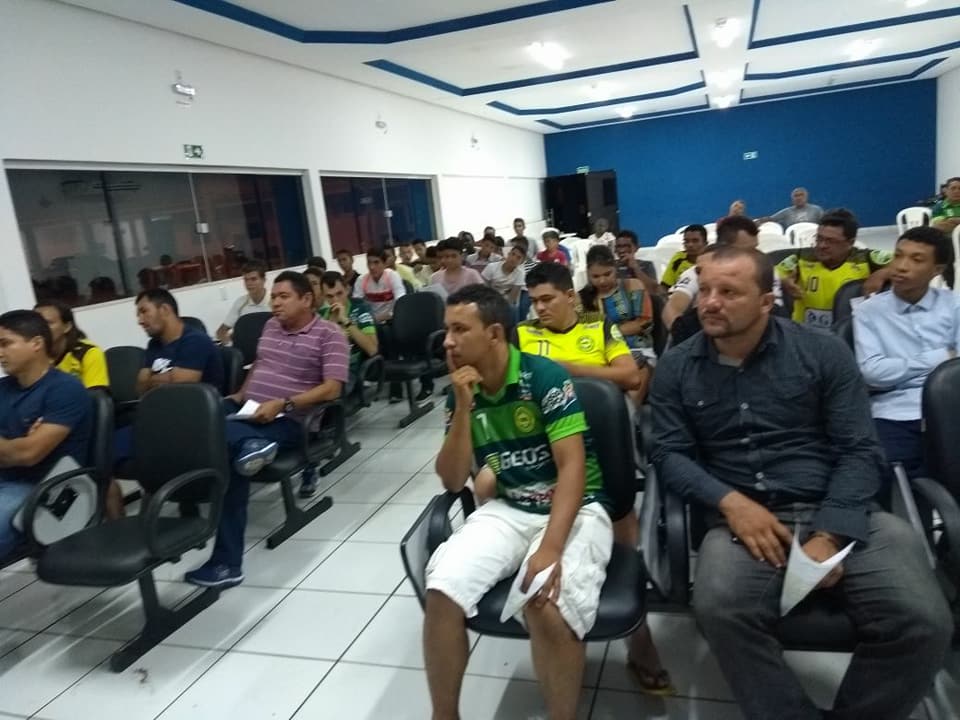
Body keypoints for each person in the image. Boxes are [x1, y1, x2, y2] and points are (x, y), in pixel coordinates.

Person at [650, 244, 952, 720]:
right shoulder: (677, 365)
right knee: (720, 608)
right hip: (742, 517)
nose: (709, 302)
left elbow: (860, 450)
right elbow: (669, 453)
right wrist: (730, 503)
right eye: (705, 289)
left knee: (923, 621)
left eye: (729, 292)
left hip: (841, 505)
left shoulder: (822, 351)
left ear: (766, 302)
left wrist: (830, 532)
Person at [424, 284, 613, 720]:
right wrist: (464, 409)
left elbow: (572, 467)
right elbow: (452, 479)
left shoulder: (542, 376)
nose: (448, 341)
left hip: (577, 505)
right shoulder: (461, 390)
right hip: (510, 506)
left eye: (459, 329)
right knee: (442, 591)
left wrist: (550, 548)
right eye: (447, 330)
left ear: (494, 333)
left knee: (544, 602)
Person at [185, 271, 349, 588]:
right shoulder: (271, 327)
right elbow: (261, 364)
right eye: (274, 297)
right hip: (250, 409)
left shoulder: (330, 335)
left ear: (307, 299)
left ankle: (227, 563)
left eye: (283, 297)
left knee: (224, 450)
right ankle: (249, 445)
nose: (275, 303)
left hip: (292, 421)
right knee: (194, 420)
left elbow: (332, 389)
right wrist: (239, 395)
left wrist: (284, 403)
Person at [854, 226, 958, 480]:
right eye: (898, 255)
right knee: (884, 471)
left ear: (937, 270)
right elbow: (872, 373)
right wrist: (941, 357)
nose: (901, 266)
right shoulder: (868, 312)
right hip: (896, 411)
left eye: (916, 259)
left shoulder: (953, 305)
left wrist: (900, 370)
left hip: (953, 406)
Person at [0, 310, 92, 558]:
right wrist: (16, 445)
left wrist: (20, 448)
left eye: (5, 343)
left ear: (36, 344)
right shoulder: (3, 388)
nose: (0, 352)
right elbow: (18, 451)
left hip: (45, 488)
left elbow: (28, 454)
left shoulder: (65, 389)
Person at [662, 216, 783, 335]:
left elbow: (775, 313)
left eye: (755, 248)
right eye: (746, 250)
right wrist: (684, 339)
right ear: (724, 247)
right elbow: (672, 310)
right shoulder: (698, 271)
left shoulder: (767, 270)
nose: (754, 255)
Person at [776, 209, 891, 327]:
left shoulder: (866, 259)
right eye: (819, 238)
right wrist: (783, 282)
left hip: (848, 332)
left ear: (850, 243)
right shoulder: (801, 257)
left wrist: (882, 273)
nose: (822, 245)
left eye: (830, 241)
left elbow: (901, 262)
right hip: (804, 332)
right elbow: (770, 274)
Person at [579, 246, 654, 354]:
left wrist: (608, 333)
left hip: (635, 349)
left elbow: (644, 322)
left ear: (615, 268)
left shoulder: (632, 286)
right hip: (597, 352)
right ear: (588, 274)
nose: (602, 281)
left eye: (607, 274)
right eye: (595, 276)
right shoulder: (581, 297)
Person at [319, 271, 378, 398]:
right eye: (329, 296)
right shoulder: (321, 316)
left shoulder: (361, 309)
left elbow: (372, 349)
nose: (335, 300)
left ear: (347, 289)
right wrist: (332, 325)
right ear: (323, 296)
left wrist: (346, 321)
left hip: (348, 371)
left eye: (339, 294)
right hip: (321, 372)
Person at [34, 300, 109, 389]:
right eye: (36, 324)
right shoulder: (32, 355)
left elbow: (96, 394)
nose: (40, 328)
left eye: (48, 323)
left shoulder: (88, 352)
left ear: (67, 326)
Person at [216, 261, 271, 344]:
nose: (249, 283)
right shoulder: (240, 303)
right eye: (246, 280)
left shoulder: (275, 301)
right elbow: (221, 331)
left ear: (263, 280)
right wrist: (230, 346)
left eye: (253, 279)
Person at [353, 247, 406, 323]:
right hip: (371, 322)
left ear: (385, 264)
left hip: (392, 319)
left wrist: (386, 316)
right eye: (369, 262)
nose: (372, 267)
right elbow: (356, 306)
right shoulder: (361, 280)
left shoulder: (392, 276)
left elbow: (401, 302)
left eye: (376, 262)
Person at [613, 230, 660, 298]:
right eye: (619, 246)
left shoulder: (647, 265)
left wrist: (636, 268)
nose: (622, 250)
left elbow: (653, 291)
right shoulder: (611, 267)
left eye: (626, 246)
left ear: (636, 247)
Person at [660, 224, 708, 290]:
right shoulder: (678, 258)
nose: (690, 245)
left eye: (695, 241)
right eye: (686, 241)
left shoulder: (713, 261)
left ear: (705, 243)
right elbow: (664, 286)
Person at [759, 187, 824, 227]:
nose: (799, 198)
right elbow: (770, 219)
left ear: (806, 197)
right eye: (796, 196)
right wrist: (756, 223)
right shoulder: (786, 212)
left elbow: (825, 223)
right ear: (792, 199)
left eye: (801, 195)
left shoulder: (817, 210)